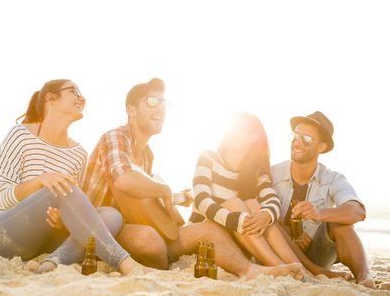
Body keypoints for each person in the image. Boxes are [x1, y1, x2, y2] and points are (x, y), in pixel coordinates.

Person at [81, 78, 303, 280]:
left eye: (163, 103)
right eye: (151, 101)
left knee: (210, 230)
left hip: (134, 225)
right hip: (104, 228)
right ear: (131, 110)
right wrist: (165, 191)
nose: (159, 107)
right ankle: (154, 260)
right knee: (151, 241)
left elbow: (141, 200)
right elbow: (124, 181)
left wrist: (177, 197)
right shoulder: (116, 137)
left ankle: (248, 270)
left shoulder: (148, 155)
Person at [0, 79, 151, 275]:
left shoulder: (78, 154)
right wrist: (41, 181)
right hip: (0, 235)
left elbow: (70, 203)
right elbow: (2, 195)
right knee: (60, 187)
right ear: (51, 99)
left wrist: (62, 220)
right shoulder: (20, 135)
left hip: (42, 243)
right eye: (74, 91)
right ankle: (125, 263)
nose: (82, 98)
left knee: (111, 215)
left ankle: (53, 263)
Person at [189, 112, 318, 277]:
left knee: (255, 206)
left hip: (237, 237)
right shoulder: (208, 157)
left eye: (238, 128)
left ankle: (301, 269)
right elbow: (201, 201)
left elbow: (273, 201)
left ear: (252, 138)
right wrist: (237, 220)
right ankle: (278, 266)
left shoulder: (255, 172)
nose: (230, 130)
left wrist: (265, 215)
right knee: (236, 203)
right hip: (207, 233)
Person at [271, 111, 374, 287]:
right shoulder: (272, 174)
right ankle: (312, 270)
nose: (297, 142)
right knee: (267, 219)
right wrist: (288, 235)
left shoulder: (333, 179)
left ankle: (364, 277)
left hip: (318, 254)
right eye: (295, 135)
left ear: (322, 147)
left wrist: (320, 213)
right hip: (279, 251)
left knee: (340, 223)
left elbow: (358, 211)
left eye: (307, 139)